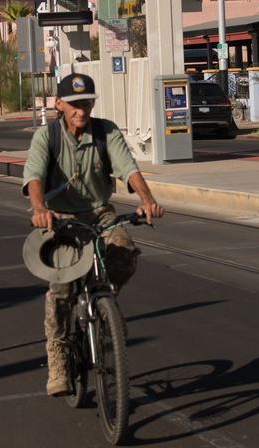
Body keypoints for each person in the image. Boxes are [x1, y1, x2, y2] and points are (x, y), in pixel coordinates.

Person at [22, 73, 164, 396]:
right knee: (60, 289)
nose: (81, 111)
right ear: (59, 105)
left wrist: (147, 200)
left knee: (125, 253)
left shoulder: (105, 131)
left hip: (100, 212)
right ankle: (57, 357)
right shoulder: (48, 137)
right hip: (61, 218)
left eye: (86, 103)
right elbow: (34, 176)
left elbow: (128, 168)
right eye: (73, 105)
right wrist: (39, 209)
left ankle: (106, 306)